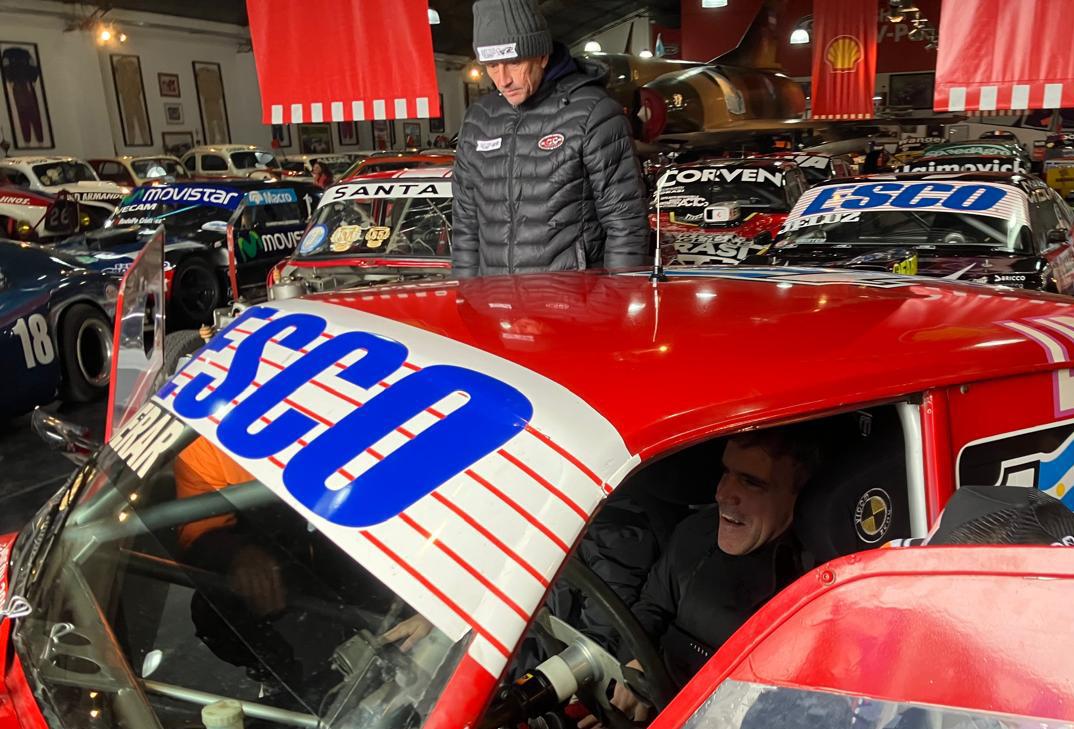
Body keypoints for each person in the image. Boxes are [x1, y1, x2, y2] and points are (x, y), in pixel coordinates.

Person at [604, 426, 821, 723]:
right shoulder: (695, 532)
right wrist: (635, 664)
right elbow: (652, 605)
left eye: (750, 483)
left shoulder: (811, 595)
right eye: (726, 473)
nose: (722, 495)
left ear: (799, 497)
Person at [451, 0, 649, 277]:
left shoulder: (593, 112)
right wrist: (468, 294)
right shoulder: (478, 120)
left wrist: (617, 295)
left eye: (514, 63)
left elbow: (626, 222)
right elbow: (465, 225)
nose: (503, 80)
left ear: (542, 56)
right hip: (496, 299)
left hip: (573, 299)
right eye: (493, 65)